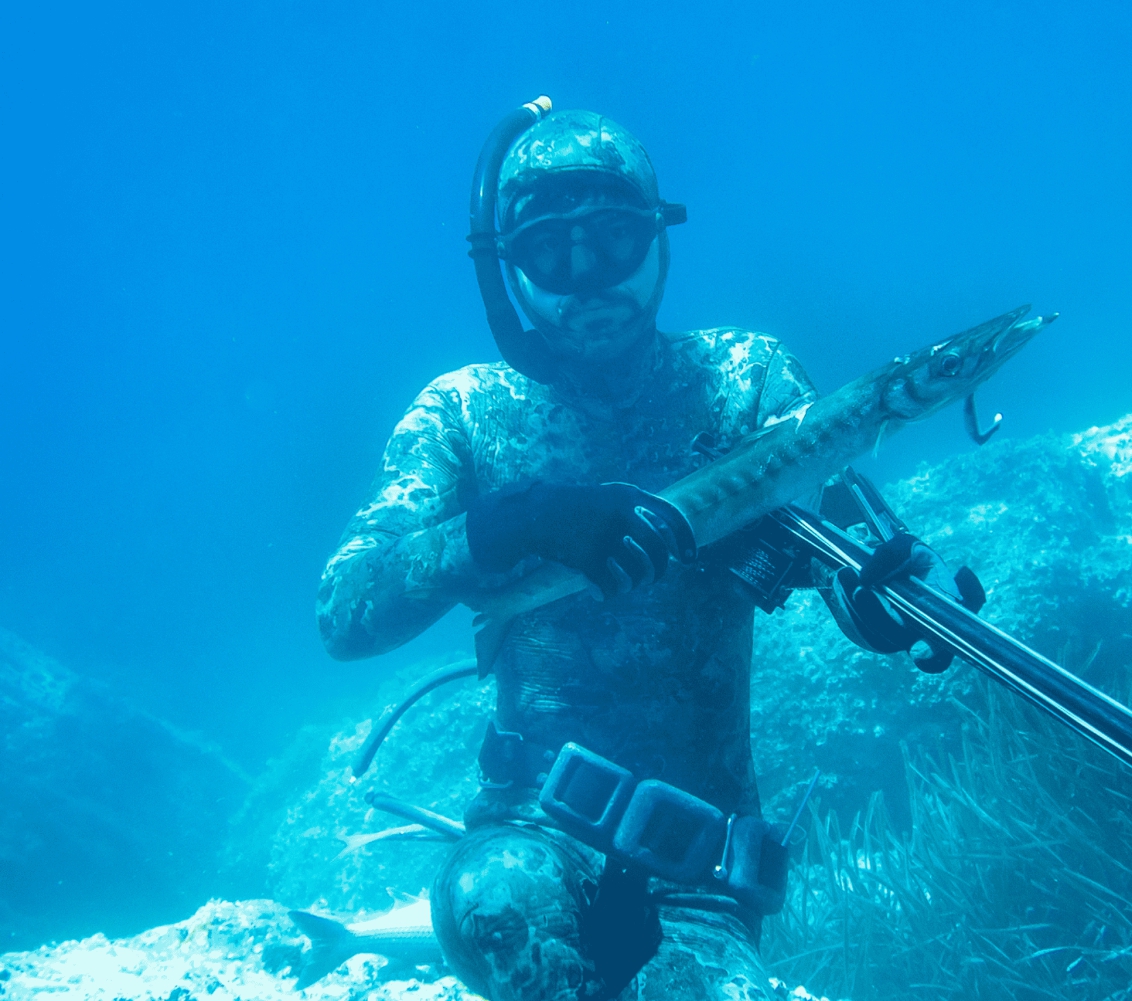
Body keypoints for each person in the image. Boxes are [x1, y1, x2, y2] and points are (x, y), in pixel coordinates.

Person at [317, 107, 978, 1001]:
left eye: (614, 240)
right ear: (506, 266)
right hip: (522, 832)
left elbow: (848, 552)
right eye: (551, 252)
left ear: (661, 239)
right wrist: (507, 523)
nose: (586, 280)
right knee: (514, 926)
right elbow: (346, 612)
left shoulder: (748, 380)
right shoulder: (464, 412)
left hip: (702, 868)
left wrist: (892, 598)